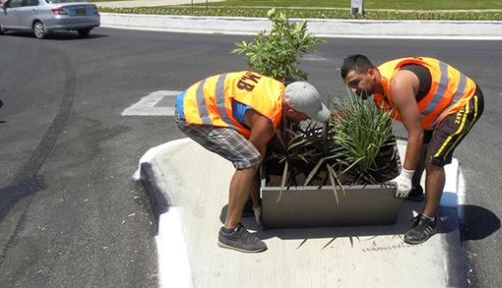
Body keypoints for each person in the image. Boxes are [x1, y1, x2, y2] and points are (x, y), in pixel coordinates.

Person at [174, 70, 330, 253]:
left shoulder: (281, 89)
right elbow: (254, 162)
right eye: (305, 115)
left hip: (198, 98)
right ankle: (229, 232)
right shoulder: (265, 122)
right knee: (248, 159)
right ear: (290, 110)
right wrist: (258, 205)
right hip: (193, 115)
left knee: (251, 155)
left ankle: (243, 201)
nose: (307, 119)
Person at [340, 55, 484, 244]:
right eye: (350, 86)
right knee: (421, 148)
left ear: (371, 73)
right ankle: (415, 189)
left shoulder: (398, 84)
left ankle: (430, 219)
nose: (354, 90)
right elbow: (396, 131)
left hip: (462, 102)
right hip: (434, 112)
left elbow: (415, 134)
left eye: (355, 83)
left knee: (434, 159)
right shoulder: (377, 94)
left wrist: (405, 176)